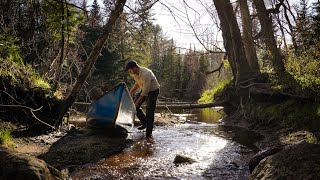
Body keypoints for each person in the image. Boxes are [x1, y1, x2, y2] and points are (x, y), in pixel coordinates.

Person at [125, 60, 160, 137]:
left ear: (134, 68)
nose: (130, 72)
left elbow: (145, 93)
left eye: (130, 70)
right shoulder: (136, 74)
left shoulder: (146, 74)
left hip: (153, 91)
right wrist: (131, 91)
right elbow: (138, 84)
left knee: (149, 111)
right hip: (144, 89)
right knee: (135, 108)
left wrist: (136, 103)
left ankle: (149, 134)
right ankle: (145, 123)